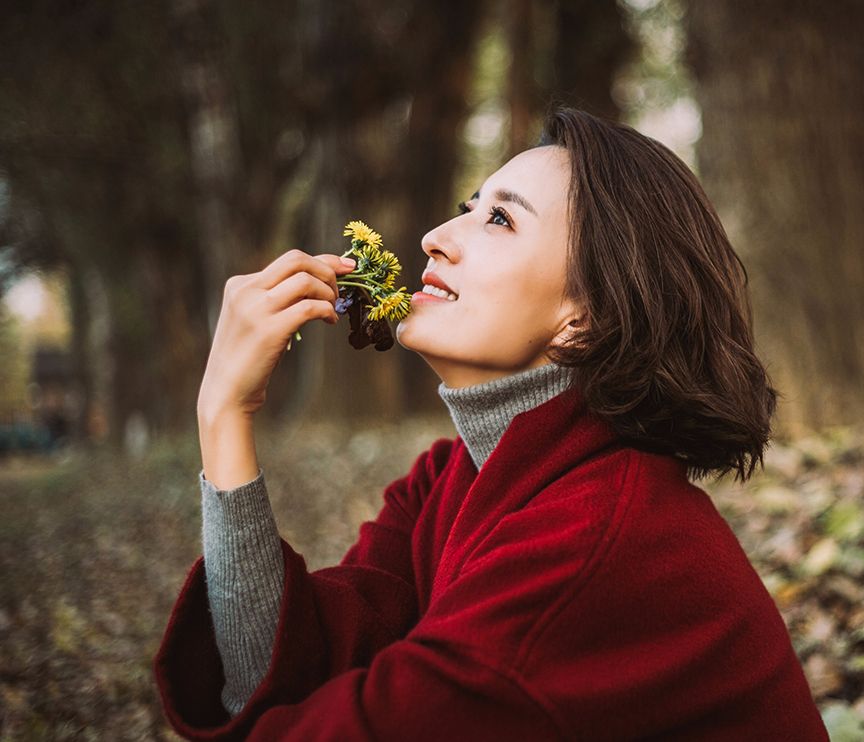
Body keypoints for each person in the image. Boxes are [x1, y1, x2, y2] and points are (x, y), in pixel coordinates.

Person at [155, 106, 829, 740]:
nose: (435, 238)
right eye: (466, 208)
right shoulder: (449, 482)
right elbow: (285, 668)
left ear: (584, 317)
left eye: (500, 220)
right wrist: (224, 418)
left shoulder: (599, 541)